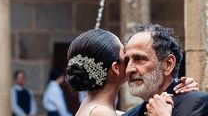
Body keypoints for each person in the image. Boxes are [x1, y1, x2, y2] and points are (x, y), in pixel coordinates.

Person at [64, 27, 199, 116]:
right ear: (116, 68)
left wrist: (176, 89)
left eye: (138, 59)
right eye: (126, 58)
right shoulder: (101, 112)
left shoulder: (97, 107)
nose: (130, 68)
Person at [123, 23, 208, 116]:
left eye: (139, 59)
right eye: (126, 61)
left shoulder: (198, 104)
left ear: (168, 64)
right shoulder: (130, 114)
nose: (128, 69)